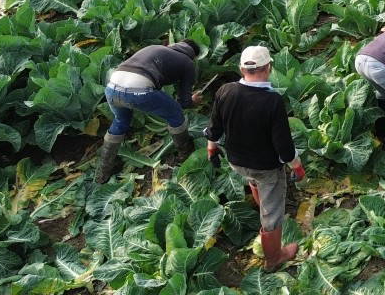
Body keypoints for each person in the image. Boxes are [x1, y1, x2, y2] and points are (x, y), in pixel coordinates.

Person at [205, 46, 305, 273]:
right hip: (266, 167)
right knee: (271, 213)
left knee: (251, 178)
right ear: (268, 68)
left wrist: (211, 148)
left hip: (236, 161)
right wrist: (296, 165)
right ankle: (274, 258)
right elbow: (283, 146)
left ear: (241, 68)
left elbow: (214, 127)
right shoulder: (272, 101)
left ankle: (260, 202)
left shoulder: (225, 91)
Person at [95, 40, 200, 184]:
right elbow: (184, 103)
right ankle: (186, 155)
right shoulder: (188, 63)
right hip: (138, 91)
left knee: (120, 121)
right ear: (194, 56)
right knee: (175, 114)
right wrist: (193, 100)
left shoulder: (156, 48)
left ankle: (103, 171)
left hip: (112, 88)